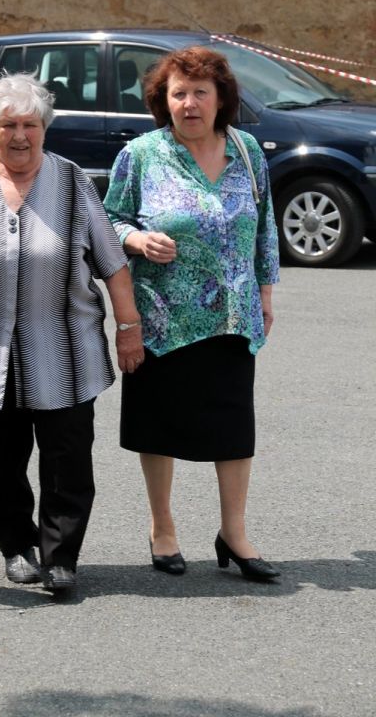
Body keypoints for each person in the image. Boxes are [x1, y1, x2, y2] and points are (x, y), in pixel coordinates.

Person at [0, 73, 144, 593]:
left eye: (30, 124)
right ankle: (17, 547)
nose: (20, 135)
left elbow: (112, 262)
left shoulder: (72, 182)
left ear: (45, 128)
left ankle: (60, 556)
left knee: (68, 459)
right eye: (8, 125)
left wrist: (128, 328)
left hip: (66, 350)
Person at [104, 46, 281, 582]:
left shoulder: (247, 151)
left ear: (221, 98)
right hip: (163, 318)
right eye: (178, 93)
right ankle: (162, 527)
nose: (189, 104)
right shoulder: (141, 155)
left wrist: (265, 293)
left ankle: (235, 532)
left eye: (200, 92)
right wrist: (136, 239)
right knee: (159, 426)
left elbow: (265, 226)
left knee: (233, 427)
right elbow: (107, 221)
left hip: (232, 316)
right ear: (164, 100)